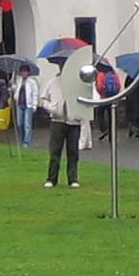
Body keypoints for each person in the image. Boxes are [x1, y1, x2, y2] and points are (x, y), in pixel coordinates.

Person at [39, 57, 93, 188]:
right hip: (57, 120)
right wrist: (53, 108)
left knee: (73, 152)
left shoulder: (77, 83)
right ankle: (52, 179)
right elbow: (43, 99)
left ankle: (73, 179)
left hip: (73, 121)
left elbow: (86, 98)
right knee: (55, 151)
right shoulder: (53, 82)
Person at [12, 66, 38, 149]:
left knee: (27, 125)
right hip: (19, 104)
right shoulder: (18, 81)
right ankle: (22, 140)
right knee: (20, 124)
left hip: (28, 105)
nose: (24, 73)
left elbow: (35, 94)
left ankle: (27, 142)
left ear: (28, 73)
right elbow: (15, 91)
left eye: (25, 72)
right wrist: (12, 83)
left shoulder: (32, 82)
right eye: (22, 72)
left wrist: (34, 105)